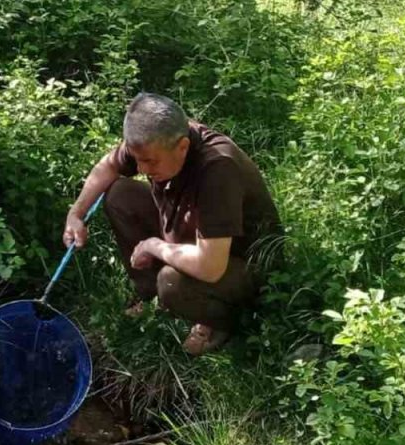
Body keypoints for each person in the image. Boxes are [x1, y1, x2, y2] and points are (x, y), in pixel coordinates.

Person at [63, 93, 281, 356]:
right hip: (194, 240)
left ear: (183, 147)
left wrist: (154, 246)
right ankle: (150, 295)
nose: (142, 169)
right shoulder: (154, 141)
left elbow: (210, 266)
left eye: (150, 162)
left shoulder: (217, 169)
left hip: (242, 264)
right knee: (119, 194)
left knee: (171, 281)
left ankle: (223, 321)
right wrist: (76, 214)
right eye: (137, 159)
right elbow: (108, 166)